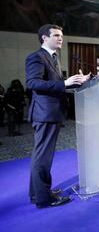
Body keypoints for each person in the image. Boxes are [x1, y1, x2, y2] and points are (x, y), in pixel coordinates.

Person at [26, 23, 90, 208]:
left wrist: (76, 82)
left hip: (52, 112)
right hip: (45, 113)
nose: (60, 38)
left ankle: (38, 193)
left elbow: (56, 84)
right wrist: (65, 83)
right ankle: (44, 199)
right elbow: (33, 83)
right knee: (42, 157)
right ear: (44, 38)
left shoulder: (52, 57)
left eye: (61, 35)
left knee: (42, 156)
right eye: (56, 35)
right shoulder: (36, 57)